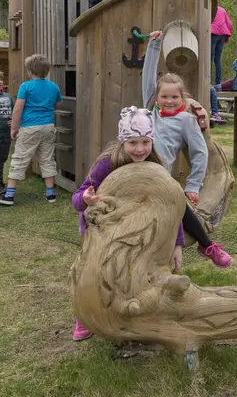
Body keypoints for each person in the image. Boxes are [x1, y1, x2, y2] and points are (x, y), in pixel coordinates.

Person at [71, 106, 185, 341]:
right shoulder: (108, 163)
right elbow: (77, 198)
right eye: (132, 142)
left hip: (139, 229)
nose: (140, 149)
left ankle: (137, 307)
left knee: (134, 271)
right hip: (104, 228)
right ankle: (84, 315)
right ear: (122, 141)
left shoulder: (156, 165)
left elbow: (172, 207)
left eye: (145, 142)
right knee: (96, 272)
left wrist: (177, 244)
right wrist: (86, 199)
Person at [143, 31, 232, 267]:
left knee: (179, 207)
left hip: (160, 175)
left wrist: (193, 185)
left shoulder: (186, 120)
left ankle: (207, 246)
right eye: (164, 96)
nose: (169, 100)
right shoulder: (149, 112)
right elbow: (148, 80)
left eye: (174, 96)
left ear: (182, 97)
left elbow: (200, 153)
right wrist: (154, 47)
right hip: (135, 169)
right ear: (156, 97)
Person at [0, 54, 62, 206]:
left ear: (30, 71)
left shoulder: (26, 86)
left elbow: (18, 108)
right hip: (48, 127)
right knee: (47, 159)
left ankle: (9, 195)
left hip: (30, 128)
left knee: (20, 158)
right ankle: (50, 193)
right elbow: (57, 104)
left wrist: (13, 127)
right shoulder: (54, 87)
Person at [211, 6, 233, 90]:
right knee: (218, 59)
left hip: (213, 33)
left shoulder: (210, 8)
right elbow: (229, 24)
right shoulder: (222, 10)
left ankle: (208, 83)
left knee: (209, 58)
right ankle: (218, 84)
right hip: (223, 34)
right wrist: (226, 37)